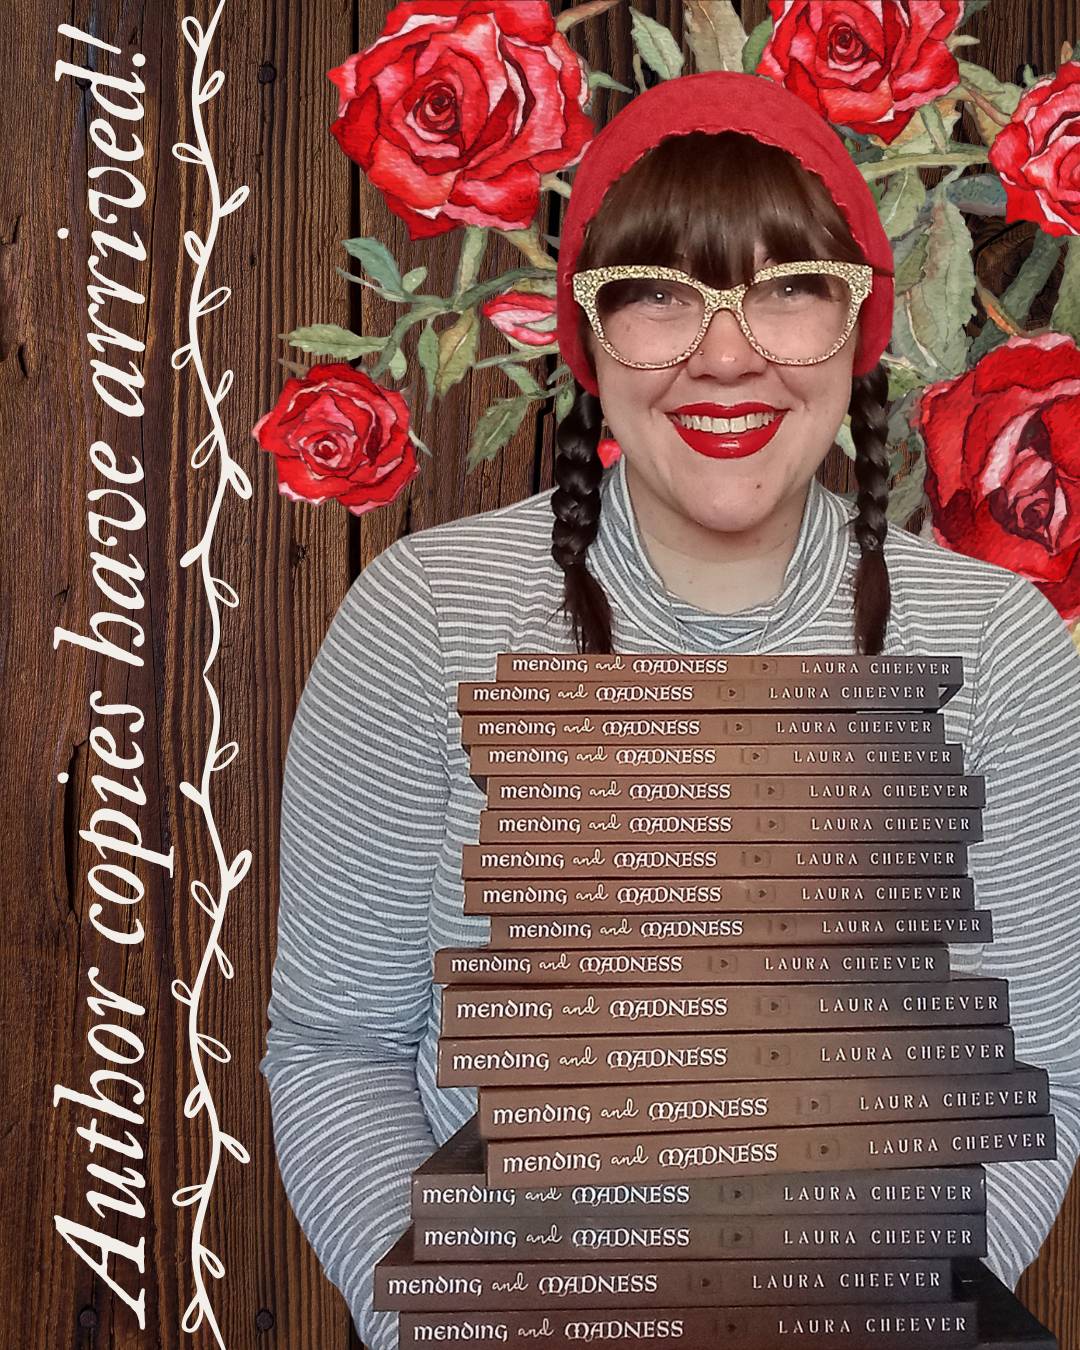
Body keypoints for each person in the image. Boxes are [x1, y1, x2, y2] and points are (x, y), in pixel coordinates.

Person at [260, 71, 1080, 1350]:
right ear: (589, 338)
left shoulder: (1000, 648)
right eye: (658, 295)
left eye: (789, 288)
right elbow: (336, 1044)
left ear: (859, 325)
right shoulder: (425, 618)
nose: (727, 353)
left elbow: (1043, 1077)